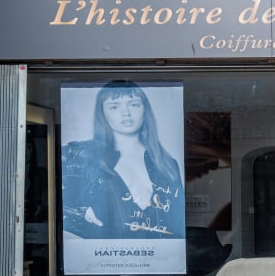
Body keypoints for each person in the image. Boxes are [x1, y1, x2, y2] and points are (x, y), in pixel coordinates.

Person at [62, 80, 185, 239]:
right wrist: (80, 213)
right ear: (102, 113)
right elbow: (55, 207)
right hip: (101, 254)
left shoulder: (167, 165)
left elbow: (177, 227)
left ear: (145, 110)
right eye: (114, 107)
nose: (126, 112)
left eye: (134, 104)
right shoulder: (79, 156)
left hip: (158, 254)